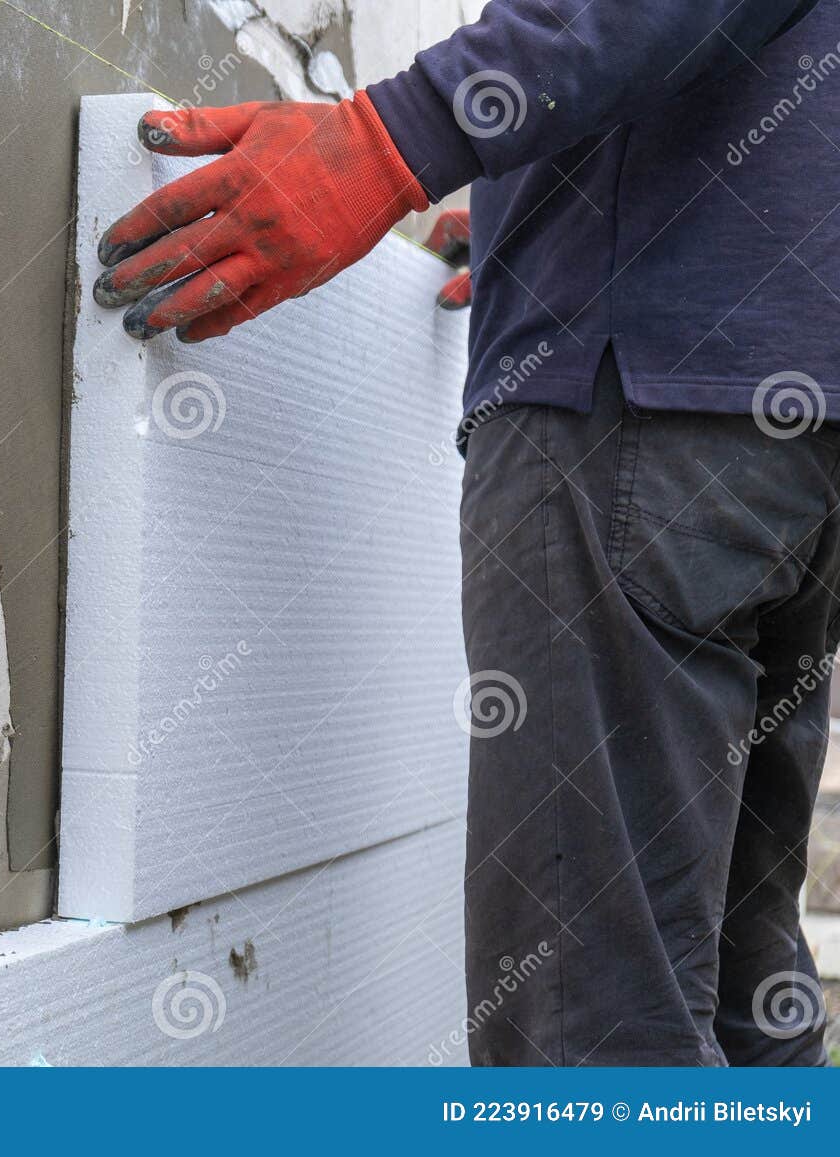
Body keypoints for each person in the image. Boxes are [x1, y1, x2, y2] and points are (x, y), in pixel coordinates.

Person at [93, 0, 837, 1066]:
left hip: (642, 400)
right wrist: (553, 216)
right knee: (735, 989)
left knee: (595, 1032)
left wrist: (397, 134)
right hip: (778, 407)